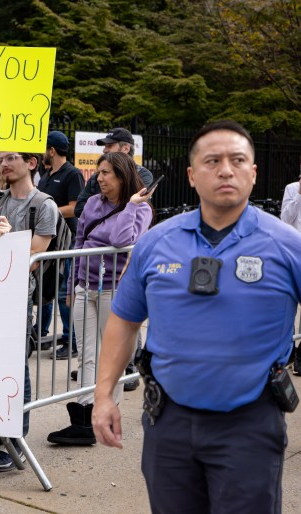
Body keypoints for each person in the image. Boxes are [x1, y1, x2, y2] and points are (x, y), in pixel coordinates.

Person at [93, 120, 300, 512]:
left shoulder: (288, 247)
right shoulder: (155, 243)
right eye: (212, 160)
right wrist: (103, 395)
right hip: (168, 425)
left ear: (253, 173)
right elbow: (123, 319)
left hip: (250, 427)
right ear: (191, 175)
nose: (226, 169)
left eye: (238, 160)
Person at [47, 152, 153, 446]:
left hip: (115, 289)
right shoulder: (92, 203)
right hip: (86, 286)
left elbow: (121, 240)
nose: (99, 178)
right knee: (87, 354)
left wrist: (130, 206)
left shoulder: (140, 209)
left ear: (122, 175)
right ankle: (83, 415)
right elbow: (79, 244)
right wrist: (72, 284)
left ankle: (107, 413)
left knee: (113, 356)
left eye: (106, 173)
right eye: (99, 172)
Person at [0, 149, 59, 471]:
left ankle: (16, 437)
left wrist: (7, 239)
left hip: (18, 297)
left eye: (12, 157)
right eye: (1, 157)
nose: (4, 163)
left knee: (16, 366)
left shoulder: (44, 205)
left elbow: (35, 256)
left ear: (31, 163)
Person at [35, 131, 84, 359]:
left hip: (67, 240)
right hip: (48, 240)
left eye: (45, 149)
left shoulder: (72, 174)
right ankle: (39, 333)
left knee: (65, 291)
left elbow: (75, 207)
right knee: (44, 288)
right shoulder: (46, 175)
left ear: (51, 151)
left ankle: (70, 340)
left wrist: (48, 212)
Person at [281, 171, 301, 374]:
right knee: (288, 306)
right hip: (294, 255)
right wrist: (299, 195)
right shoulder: (292, 189)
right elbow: (285, 220)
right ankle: (288, 353)